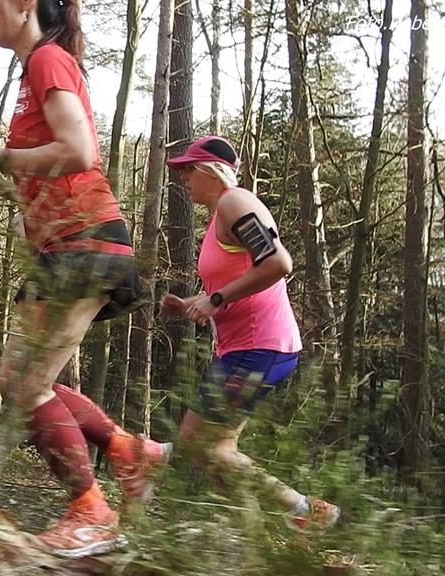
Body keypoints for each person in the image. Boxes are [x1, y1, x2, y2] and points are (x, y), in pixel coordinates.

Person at [0, 0, 170, 559]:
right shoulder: (37, 68)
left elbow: (80, 151)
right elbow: (48, 167)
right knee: (17, 380)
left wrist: (2, 158)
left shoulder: (49, 59)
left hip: (84, 239)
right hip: (64, 244)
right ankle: (126, 450)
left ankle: (93, 513)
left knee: (26, 384)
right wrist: (1, 178)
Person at [159, 135, 341, 531]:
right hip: (248, 348)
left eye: (188, 169)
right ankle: (272, 527)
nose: (183, 177)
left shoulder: (235, 202)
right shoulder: (222, 213)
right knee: (215, 450)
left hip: (260, 346)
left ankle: (305, 513)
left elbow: (277, 263)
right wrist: (191, 303)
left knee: (196, 443)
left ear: (210, 171)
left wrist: (215, 299)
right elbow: (241, 280)